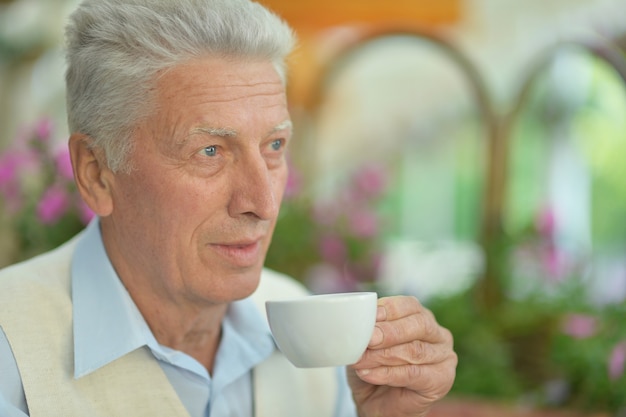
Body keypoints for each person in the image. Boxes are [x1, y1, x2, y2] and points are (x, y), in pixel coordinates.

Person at [0, 0, 457, 416]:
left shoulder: (310, 334)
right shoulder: (10, 349)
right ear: (97, 173)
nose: (262, 203)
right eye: (211, 152)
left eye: (274, 145)